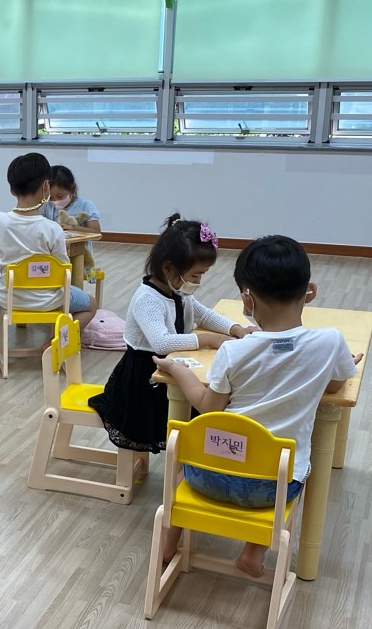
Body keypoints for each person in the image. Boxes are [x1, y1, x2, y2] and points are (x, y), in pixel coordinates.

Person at [152, 235, 361, 576]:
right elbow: (336, 385)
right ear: (310, 291)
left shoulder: (234, 351)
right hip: (273, 489)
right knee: (293, 464)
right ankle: (253, 551)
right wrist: (338, 363)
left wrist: (177, 369)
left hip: (207, 476)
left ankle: (167, 544)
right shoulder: (330, 341)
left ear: (247, 299)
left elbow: (208, 408)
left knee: (180, 472)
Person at [88, 214, 254, 453]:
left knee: (202, 407)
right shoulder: (148, 299)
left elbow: (203, 314)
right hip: (144, 379)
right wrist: (208, 339)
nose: (198, 282)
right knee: (193, 417)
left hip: (171, 367)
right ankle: (186, 459)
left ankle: (190, 455)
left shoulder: (178, 290)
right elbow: (161, 343)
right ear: (168, 268)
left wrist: (235, 328)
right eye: (195, 275)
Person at [0, 153, 97, 336]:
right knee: (91, 305)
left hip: (9, 297)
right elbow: (63, 270)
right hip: (50, 299)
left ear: (12, 189)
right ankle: (57, 341)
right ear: (46, 187)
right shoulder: (53, 229)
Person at [45, 165, 101, 241]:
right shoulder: (46, 206)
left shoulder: (85, 205)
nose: (55, 201)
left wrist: (73, 227)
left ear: (72, 188)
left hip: (79, 248)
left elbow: (96, 232)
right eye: (50, 198)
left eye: (60, 196)